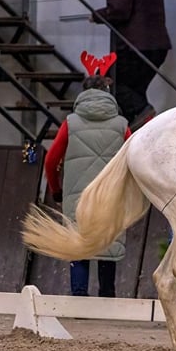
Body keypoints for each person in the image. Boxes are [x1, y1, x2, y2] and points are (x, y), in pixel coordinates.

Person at [44, 55, 132, 297]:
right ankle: (106, 298)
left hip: (77, 198)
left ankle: (80, 299)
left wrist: (57, 191)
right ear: (107, 92)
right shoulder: (121, 125)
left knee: (80, 247)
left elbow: (51, 161)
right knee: (107, 245)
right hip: (111, 196)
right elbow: (135, 159)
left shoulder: (70, 123)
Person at [91, 0, 172, 131]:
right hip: (157, 47)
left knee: (108, 81)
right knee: (135, 89)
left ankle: (142, 113)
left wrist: (97, 15)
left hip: (132, 46)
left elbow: (119, 10)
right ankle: (139, 129)